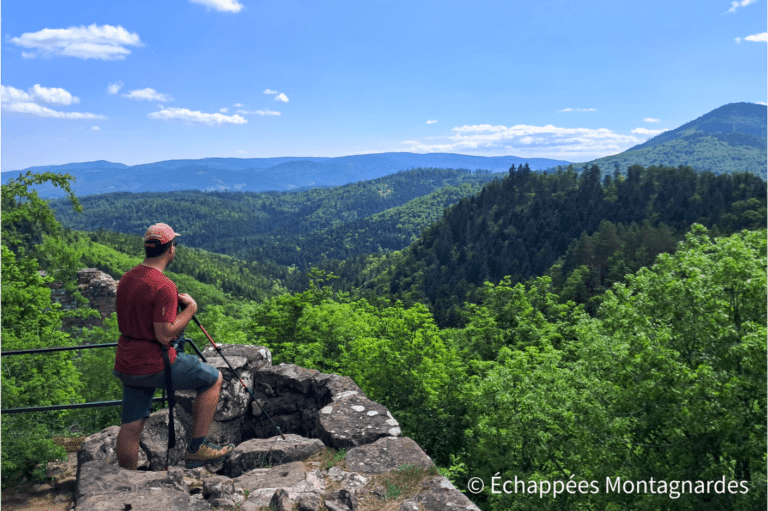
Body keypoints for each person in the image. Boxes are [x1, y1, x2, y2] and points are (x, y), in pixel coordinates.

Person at [113, 223, 234, 469]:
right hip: (155, 363)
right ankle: (198, 447)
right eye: (174, 245)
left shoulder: (127, 278)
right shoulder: (163, 285)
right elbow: (165, 335)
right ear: (170, 249)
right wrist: (190, 309)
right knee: (213, 379)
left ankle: (126, 479)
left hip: (128, 361)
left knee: (131, 425)